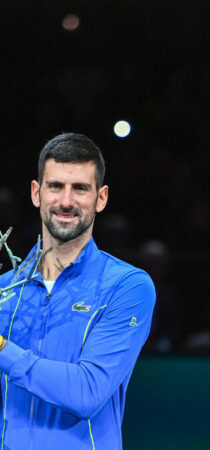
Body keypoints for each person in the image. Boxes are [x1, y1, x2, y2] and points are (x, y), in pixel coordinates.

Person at [0, 133, 156, 450]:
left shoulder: (127, 287)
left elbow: (87, 392)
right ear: (36, 193)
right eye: (55, 186)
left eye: (80, 188)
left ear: (101, 197)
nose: (66, 201)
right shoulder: (5, 291)